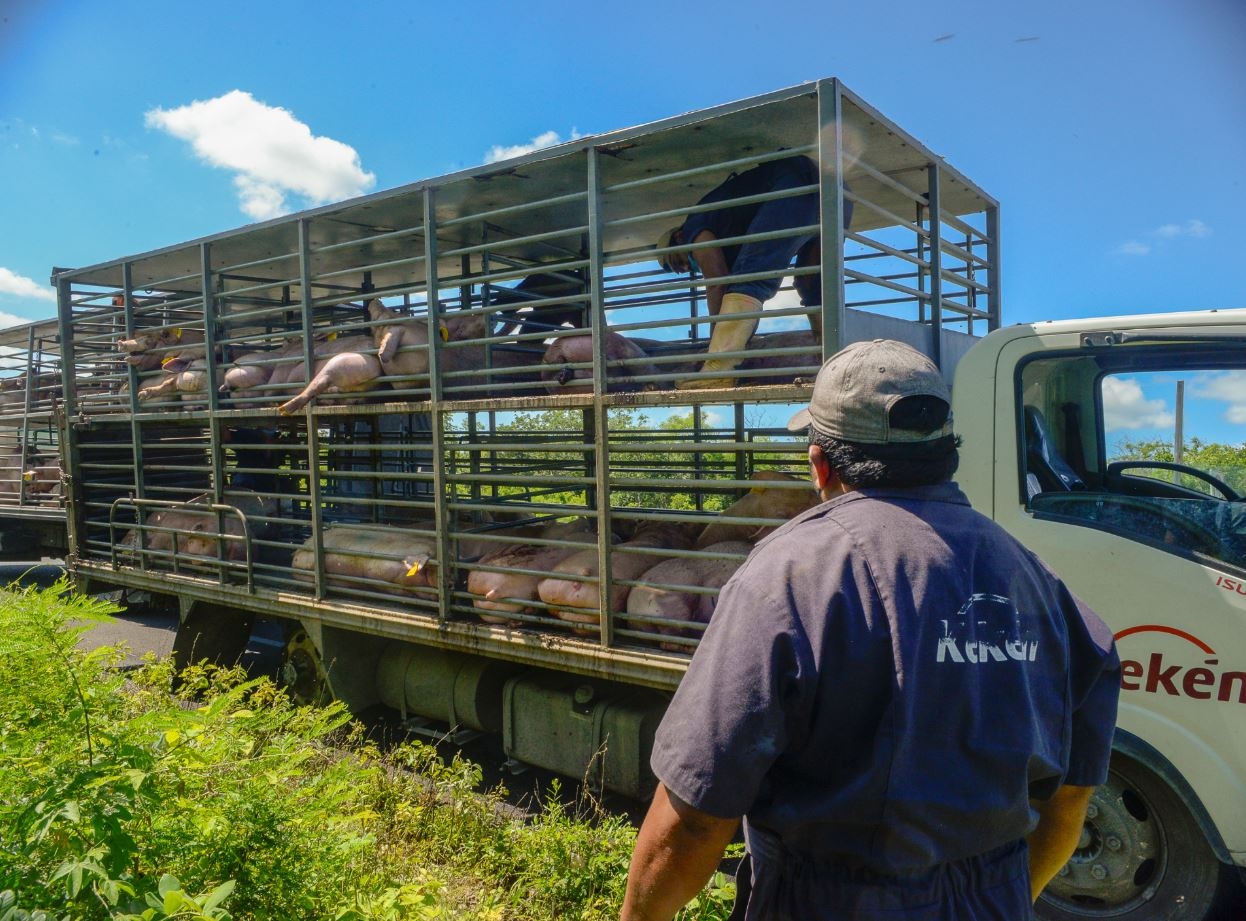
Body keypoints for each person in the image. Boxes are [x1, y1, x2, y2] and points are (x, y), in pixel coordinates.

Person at [621, 339, 1121, 921]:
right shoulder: (1040, 581)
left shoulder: (788, 575)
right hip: (996, 894)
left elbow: (696, 818)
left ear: (819, 464)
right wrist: (999, 895)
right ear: (947, 453)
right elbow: (1071, 800)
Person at [657, 155, 852, 390]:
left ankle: (718, 371)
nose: (688, 267)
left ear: (679, 238)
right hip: (837, 191)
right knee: (813, 283)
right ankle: (834, 364)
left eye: (678, 261)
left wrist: (714, 345)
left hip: (793, 185)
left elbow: (717, 282)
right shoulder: (727, 229)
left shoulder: (694, 227)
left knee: (749, 278)